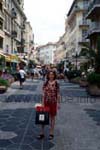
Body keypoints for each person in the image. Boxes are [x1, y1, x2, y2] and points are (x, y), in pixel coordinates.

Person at [37, 71, 60, 140]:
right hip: (46, 102)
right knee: (43, 118)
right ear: (48, 76)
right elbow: (43, 93)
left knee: (52, 118)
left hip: (53, 102)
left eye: (52, 74)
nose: (51, 76)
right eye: (50, 75)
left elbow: (58, 94)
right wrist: (42, 102)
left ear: (54, 75)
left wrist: (58, 103)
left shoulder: (56, 83)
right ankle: (41, 133)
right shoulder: (45, 83)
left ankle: (51, 133)